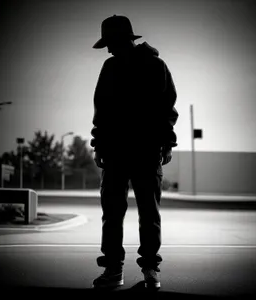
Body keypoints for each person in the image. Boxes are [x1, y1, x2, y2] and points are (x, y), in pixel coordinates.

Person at [90, 15, 179, 289]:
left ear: (123, 40)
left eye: (111, 43)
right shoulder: (115, 66)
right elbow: (102, 110)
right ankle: (127, 270)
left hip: (139, 150)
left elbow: (167, 107)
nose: (108, 49)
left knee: (133, 214)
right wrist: (98, 144)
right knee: (128, 214)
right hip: (128, 151)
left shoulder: (154, 66)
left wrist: (167, 142)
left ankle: (138, 270)